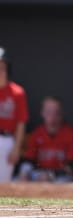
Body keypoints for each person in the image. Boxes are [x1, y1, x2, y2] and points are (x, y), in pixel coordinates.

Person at [17, 96, 73, 182]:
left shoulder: (70, 134)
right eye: (48, 112)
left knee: (61, 181)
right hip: (40, 174)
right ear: (42, 113)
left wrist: (51, 174)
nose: (52, 117)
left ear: (61, 114)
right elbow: (29, 160)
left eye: (56, 113)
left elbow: (72, 167)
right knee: (21, 177)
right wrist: (24, 173)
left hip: (61, 176)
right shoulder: (37, 134)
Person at [0, 47, 29, 182]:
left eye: (2, 67)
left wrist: (16, 148)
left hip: (7, 140)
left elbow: (21, 122)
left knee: (3, 183)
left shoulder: (17, 92)